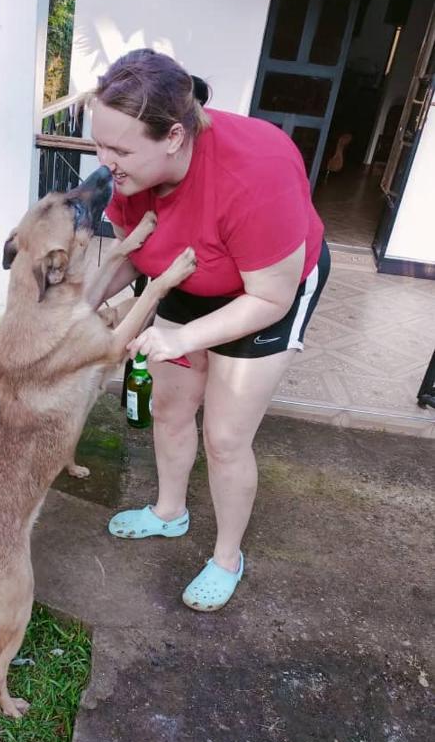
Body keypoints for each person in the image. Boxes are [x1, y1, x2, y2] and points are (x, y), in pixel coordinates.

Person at [90, 48, 329, 612]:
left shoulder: (254, 171)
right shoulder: (130, 179)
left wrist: (181, 338)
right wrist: (78, 301)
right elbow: (138, 252)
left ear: (174, 136)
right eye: (100, 143)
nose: (105, 162)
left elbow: (270, 296)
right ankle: (170, 513)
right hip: (191, 277)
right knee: (171, 408)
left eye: (120, 150)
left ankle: (226, 557)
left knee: (224, 437)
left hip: (265, 290)